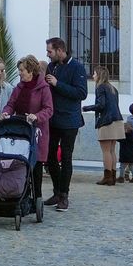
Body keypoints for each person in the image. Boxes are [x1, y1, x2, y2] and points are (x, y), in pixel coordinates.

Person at [43, 37, 88, 211]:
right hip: (53, 119)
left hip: (70, 121)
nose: (48, 54)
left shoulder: (77, 67)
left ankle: (64, 195)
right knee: (50, 157)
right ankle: (56, 190)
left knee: (66, 158)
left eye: (50, 51)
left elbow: (81, 93)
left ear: (60, 50)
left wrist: (57, 84)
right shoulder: (51, 66)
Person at [2, 54, 53, 201]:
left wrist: (36, 116)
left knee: (35, 165)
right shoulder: (19, 87)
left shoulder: (43, 88)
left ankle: (37, 197)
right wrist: (6, 112)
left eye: (22, 70)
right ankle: (20, 194)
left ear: (30, 71)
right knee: (20, 163)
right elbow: (11, 104)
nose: (19, 72)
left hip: (37, 132)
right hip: (21, 130)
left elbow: (49, 109)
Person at [83, 66, 127, 185]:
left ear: (99, 75)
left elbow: (101, 105)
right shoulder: (113, 88)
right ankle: (112, 176)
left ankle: (107, 177)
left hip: (106, 121)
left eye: (94, 74)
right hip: (117, 121)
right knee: (112, 151)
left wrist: (86, 108)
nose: (93, 76)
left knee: (106, 151)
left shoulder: (101, 87)